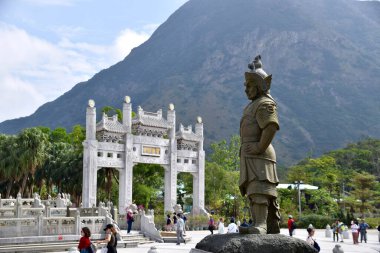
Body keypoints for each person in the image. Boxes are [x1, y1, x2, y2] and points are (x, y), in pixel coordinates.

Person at [239, 55, 280, 234]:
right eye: (246, 85)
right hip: (250, 153)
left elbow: (270, 127)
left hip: (260, 153)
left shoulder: (264, 103)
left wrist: (258, 147)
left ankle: (262, 224)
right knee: (252, 190)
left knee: (260, 189)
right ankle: (258, 222)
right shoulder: (252, 105)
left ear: (259, 86)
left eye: (249, 85)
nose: (246, 89)